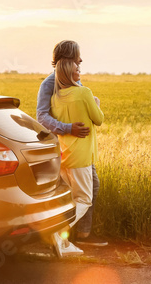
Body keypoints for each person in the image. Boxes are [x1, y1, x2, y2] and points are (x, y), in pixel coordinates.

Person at [36, 40, 107, 257]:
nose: (81, 61)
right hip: (68, 147)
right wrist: (69, 128)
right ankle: (58, 234)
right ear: (67, 59)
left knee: (92, 186)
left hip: (79, 148)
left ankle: (81, 234)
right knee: (77, 194)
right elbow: (41, 116)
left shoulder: (72, 80)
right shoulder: (50, 83)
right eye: (77, 57)